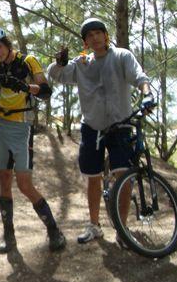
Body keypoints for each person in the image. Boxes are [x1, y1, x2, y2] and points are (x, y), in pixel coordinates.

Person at [47, 17, 154, 245]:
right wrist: (60, 62)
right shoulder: (82, 63)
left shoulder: (122, 56)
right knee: (93, 177)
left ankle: (122, 229)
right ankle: (94, 225)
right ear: (85, 42)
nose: (94, 37)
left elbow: (139, 77)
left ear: (106, 36)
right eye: (89, 35)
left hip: (120, 124)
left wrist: (148, 94)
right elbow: (55, 74)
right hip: (92, 127)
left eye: (98, 33)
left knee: (123, 177)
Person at [0, 27, 66, 254]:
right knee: (4, 180)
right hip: (1, 125)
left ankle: (54, 230)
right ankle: (9, 237)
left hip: (22, 126)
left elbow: (46, 92)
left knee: (25, 185)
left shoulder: (28, 61)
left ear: (7, 43)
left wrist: (25, 86)